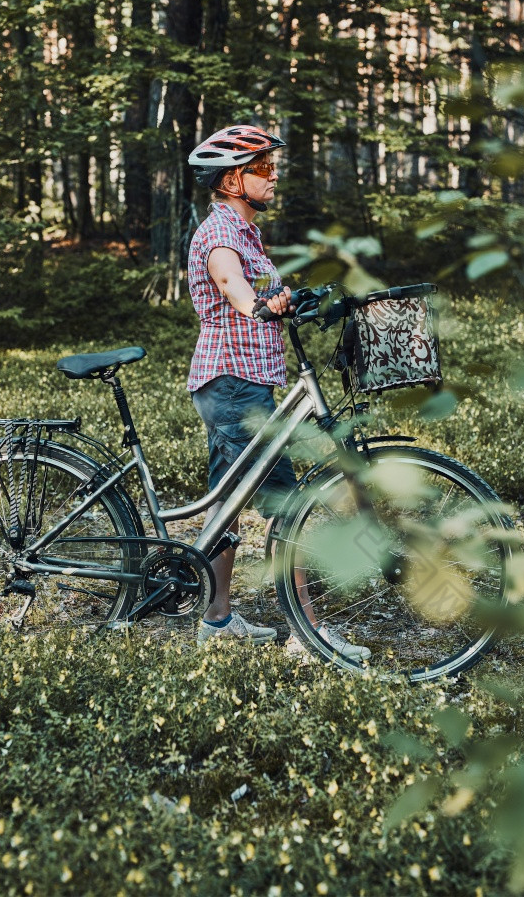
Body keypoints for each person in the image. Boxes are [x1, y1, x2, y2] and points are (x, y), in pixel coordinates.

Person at [186, 123, 370, 661]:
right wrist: (253, 301)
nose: (274, 175)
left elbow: (259, 283)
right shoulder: (220, 231)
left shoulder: (247, 233)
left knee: (227, 503)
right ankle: (310, 636)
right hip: (234, 385)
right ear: (231, 180)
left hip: (242, 381)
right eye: (263, 168)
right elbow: (227, 279)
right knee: (287, 506)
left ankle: (217, 620)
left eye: (272, 165)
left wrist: (296, 299)